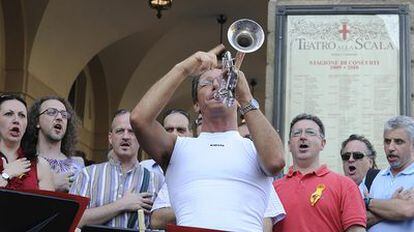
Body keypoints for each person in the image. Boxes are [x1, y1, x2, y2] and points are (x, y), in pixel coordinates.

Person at [131, 44, 285, 232]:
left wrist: (245, 97)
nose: (215, 85)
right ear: (196, 104)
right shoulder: (179, 147)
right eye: (206, 83)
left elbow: (276, 161)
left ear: (235, 96)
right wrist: (184, 68)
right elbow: (139, 120)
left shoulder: (255, 149)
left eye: (224, 81)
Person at [69, 109, 163, 229]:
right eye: (119, 131)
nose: (125, 136)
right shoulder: (88, 175)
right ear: (110, 138)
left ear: (140, 138)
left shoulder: (156, 181)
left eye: (131, 131)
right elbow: (72, 220)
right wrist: (121, 205)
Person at [273, 113, 366, 232]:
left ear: (323, 143)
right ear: (289, 145)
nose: (303, 137)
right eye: (296, 133)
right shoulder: (274, 189)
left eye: (310, 132)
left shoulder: (345, 186)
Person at [23, 96, 84, 192]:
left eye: (64, 115)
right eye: (51, 112)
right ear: (37, 121)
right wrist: (51, 184)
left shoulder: (78, 165)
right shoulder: (24, 162)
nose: (59, 118)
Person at [365, 115, 414, 231]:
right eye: (387, 141)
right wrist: (392, 205)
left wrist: (368, 201)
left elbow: (406, 210)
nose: (391, 147)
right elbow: (359, 219)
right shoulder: (372, 177)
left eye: (398, 142)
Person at [0, 94, 54, 190]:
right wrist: (6, 174)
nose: (16, 120)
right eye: (9, 114)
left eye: (22, 115)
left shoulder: (40, 165)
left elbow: (49, 205)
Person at [140, 108, 192, 176]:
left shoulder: (201, 168)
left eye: (180, 130)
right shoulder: (144, 169)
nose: (174, 134)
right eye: (169, 130)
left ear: (191, 134)